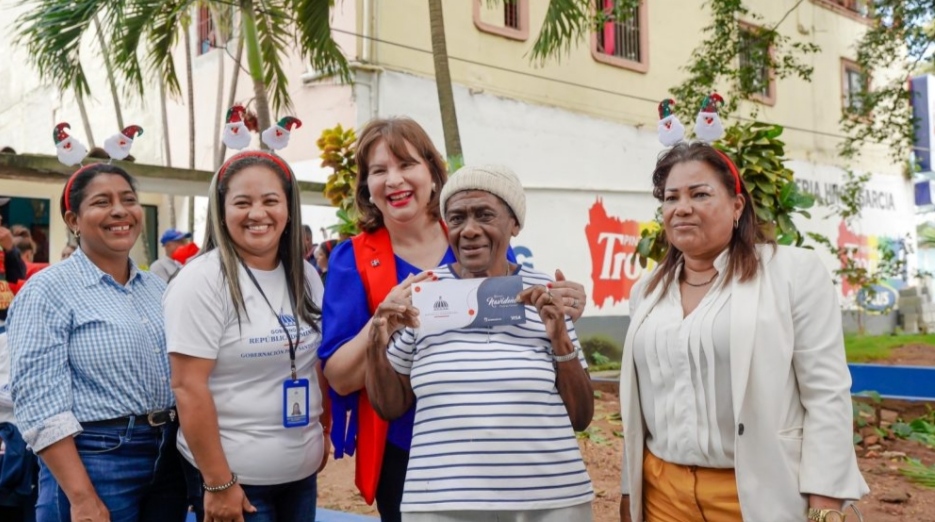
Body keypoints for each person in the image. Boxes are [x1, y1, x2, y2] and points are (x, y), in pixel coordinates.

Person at [320, 117, 590, 521]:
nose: (394, 180)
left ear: (432, 172)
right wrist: (380, 327)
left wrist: (565, 314)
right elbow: (341, 378)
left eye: (406, 164)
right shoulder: (353, 259)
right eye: (378, 170)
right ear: (367, 187)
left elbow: (527, 332)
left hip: (513, 460)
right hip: (413, 456)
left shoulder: (477, 234)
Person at [618, 142, 869, 522]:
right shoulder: (647, 291)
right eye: (671, 198)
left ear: (737, 206)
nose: (682, 207)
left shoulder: (792, 273)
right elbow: (641, 404)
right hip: (662, 495)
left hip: (754, 494)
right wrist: (629, 488)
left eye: (700, 194)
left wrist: (825, 504)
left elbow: (826, 393)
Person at [6, 163, 187, 522]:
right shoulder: (48, 290)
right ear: (73, 220)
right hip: (94, 459)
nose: (120, 211)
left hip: (168, 459)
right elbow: (39, 401)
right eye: (102, 202)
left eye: (129, 200)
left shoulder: (156, 288)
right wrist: (81, 496)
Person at [165, 151, 330, 522]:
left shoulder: (306, 276)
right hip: (236, 482)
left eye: (271, 200)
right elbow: (188, 386)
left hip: (300, 474)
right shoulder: (201, 281)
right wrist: (218, 482)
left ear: (289, 209)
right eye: (242, 203)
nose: (258, 213)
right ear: (221, 211)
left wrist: (322, 431)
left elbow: (312, 363)